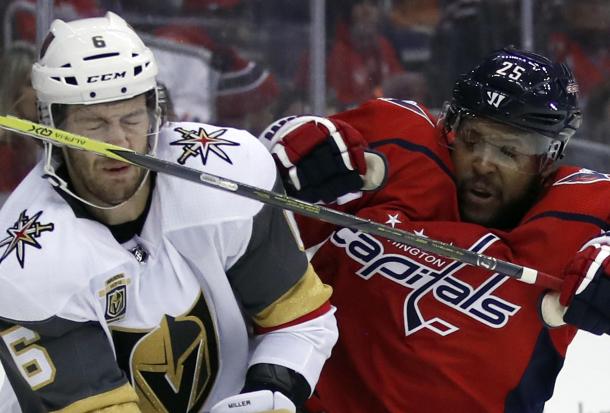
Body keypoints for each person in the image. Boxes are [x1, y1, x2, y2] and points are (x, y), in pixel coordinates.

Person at [0, 12, 338, 413]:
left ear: (156, 111)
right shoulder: (24, 263)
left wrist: (272, 391)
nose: (119, 141)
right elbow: (97, 406)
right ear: (53, 126)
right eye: (93, 125)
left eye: (131, 118)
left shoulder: (226, 175)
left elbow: (299, 320)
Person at [259, 47, 610, 412]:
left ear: (549, 158)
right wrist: (285, 152)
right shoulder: (399, 142)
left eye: (509, 151)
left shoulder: (584, 214)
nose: (483, 162)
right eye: (472, 139)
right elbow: (258, 199)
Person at [0, 42, 40, 207]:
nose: (40, 92)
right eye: (31, 84)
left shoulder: (41, 141)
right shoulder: (7, 149)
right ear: (12, 89)